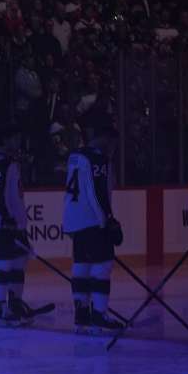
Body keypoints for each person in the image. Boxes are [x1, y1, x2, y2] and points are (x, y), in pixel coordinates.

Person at [64, 123, 125, 334]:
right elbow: (97, 193)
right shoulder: (99, 159)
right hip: (93, 220)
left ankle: (81, 314)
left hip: (76, 220)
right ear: (106, 138)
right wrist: (108, 219)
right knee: (102, 265)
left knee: (81, 264)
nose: (114, 147)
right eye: (114, 142)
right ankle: (99, 313)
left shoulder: (75, 156)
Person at [0, 124, 34, 326]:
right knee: (3, 263)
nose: (18, 142)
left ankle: (15, 302)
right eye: (14, 138)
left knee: (19, 261)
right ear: (4, 140)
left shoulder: (11, 162)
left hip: (15, 222)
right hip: (2, 223)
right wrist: (5, 218)